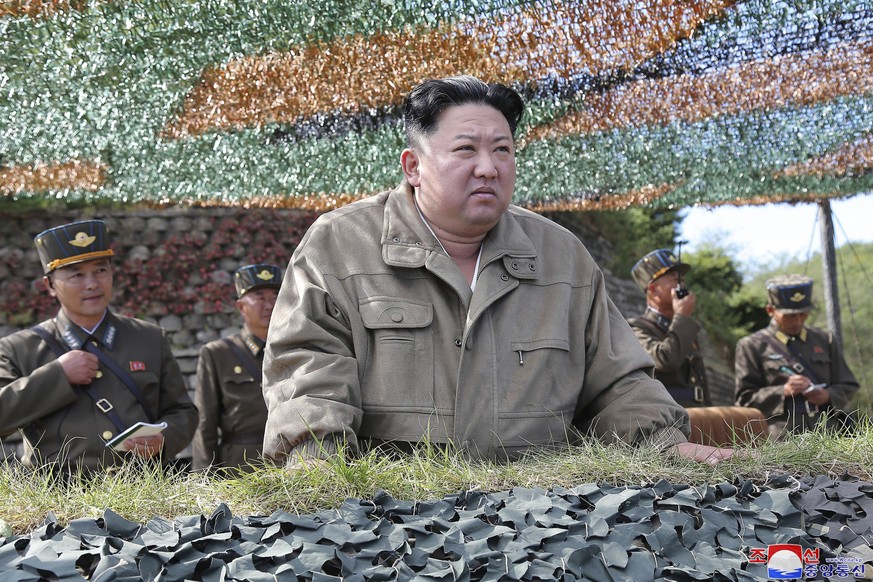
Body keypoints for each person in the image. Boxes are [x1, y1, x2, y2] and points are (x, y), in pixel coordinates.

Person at [263, 75, 733, 467]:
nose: (488, 168)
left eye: (502, 150)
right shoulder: (341, 244)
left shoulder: (562, 258)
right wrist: (319, 469)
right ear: (413, 166)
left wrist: (664, 443)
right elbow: (309, 367)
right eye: (466, 149)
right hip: (391, 516)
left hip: (539, 516)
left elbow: (617, 381)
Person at [0, 220, 198, 473]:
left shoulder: (149, 338)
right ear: (50, 286)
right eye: (77, 275)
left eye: (100, 270)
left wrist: (163, 439)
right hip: (58, 493)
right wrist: (57, 376)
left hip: (139, 489)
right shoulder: (18, 349)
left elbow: (183, 411)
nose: (92, 283)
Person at [734, 274, 859, 439]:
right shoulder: (751, 345)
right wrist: (783, 391)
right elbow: (744, 400)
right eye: (789, 316)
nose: (798, 321)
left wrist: (828, 395)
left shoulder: (824, 339)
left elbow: (849, 385)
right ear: (770, 311)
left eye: (803, 314)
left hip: (829, 434)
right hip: (782, 439)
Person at [192, 263, 281, 472]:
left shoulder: (296, 348)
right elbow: (205, 423)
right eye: (260, 298)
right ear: (241, 307)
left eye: (275, 298)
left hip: (289, 462)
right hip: (239, 468)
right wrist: (203, 478)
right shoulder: (218, 353)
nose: (269, 305)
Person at [628, 249, 711, 407]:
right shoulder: (636, 328)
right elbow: (664, 361)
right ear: (653, 290)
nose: (681, 283)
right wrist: (681, 317)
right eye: (674, 278)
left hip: (698, 415)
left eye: (682, 279)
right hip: (666, 414)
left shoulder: (683, 326)